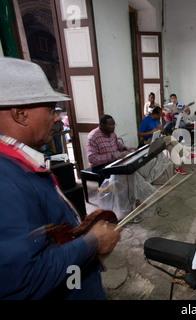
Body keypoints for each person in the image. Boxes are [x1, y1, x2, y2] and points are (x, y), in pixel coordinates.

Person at [0, 57, 121, 299]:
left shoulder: (21, 163)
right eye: (51, 109)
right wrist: (92, 242)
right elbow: (23, 279)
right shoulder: (6, 181)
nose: (57, 118)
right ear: (21, 114)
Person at [138, 107, 190, 175]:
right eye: (159, 115)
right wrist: (151, 132)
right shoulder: (146, 120)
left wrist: (161, 130)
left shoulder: (157, 120)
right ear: (154, 114)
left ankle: (177, 168)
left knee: (172, 147)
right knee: (170, 138)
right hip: (149, 141)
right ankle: (185, 153)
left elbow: (162, 131)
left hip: (158, 139)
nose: (160, 117)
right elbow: (139, 134)